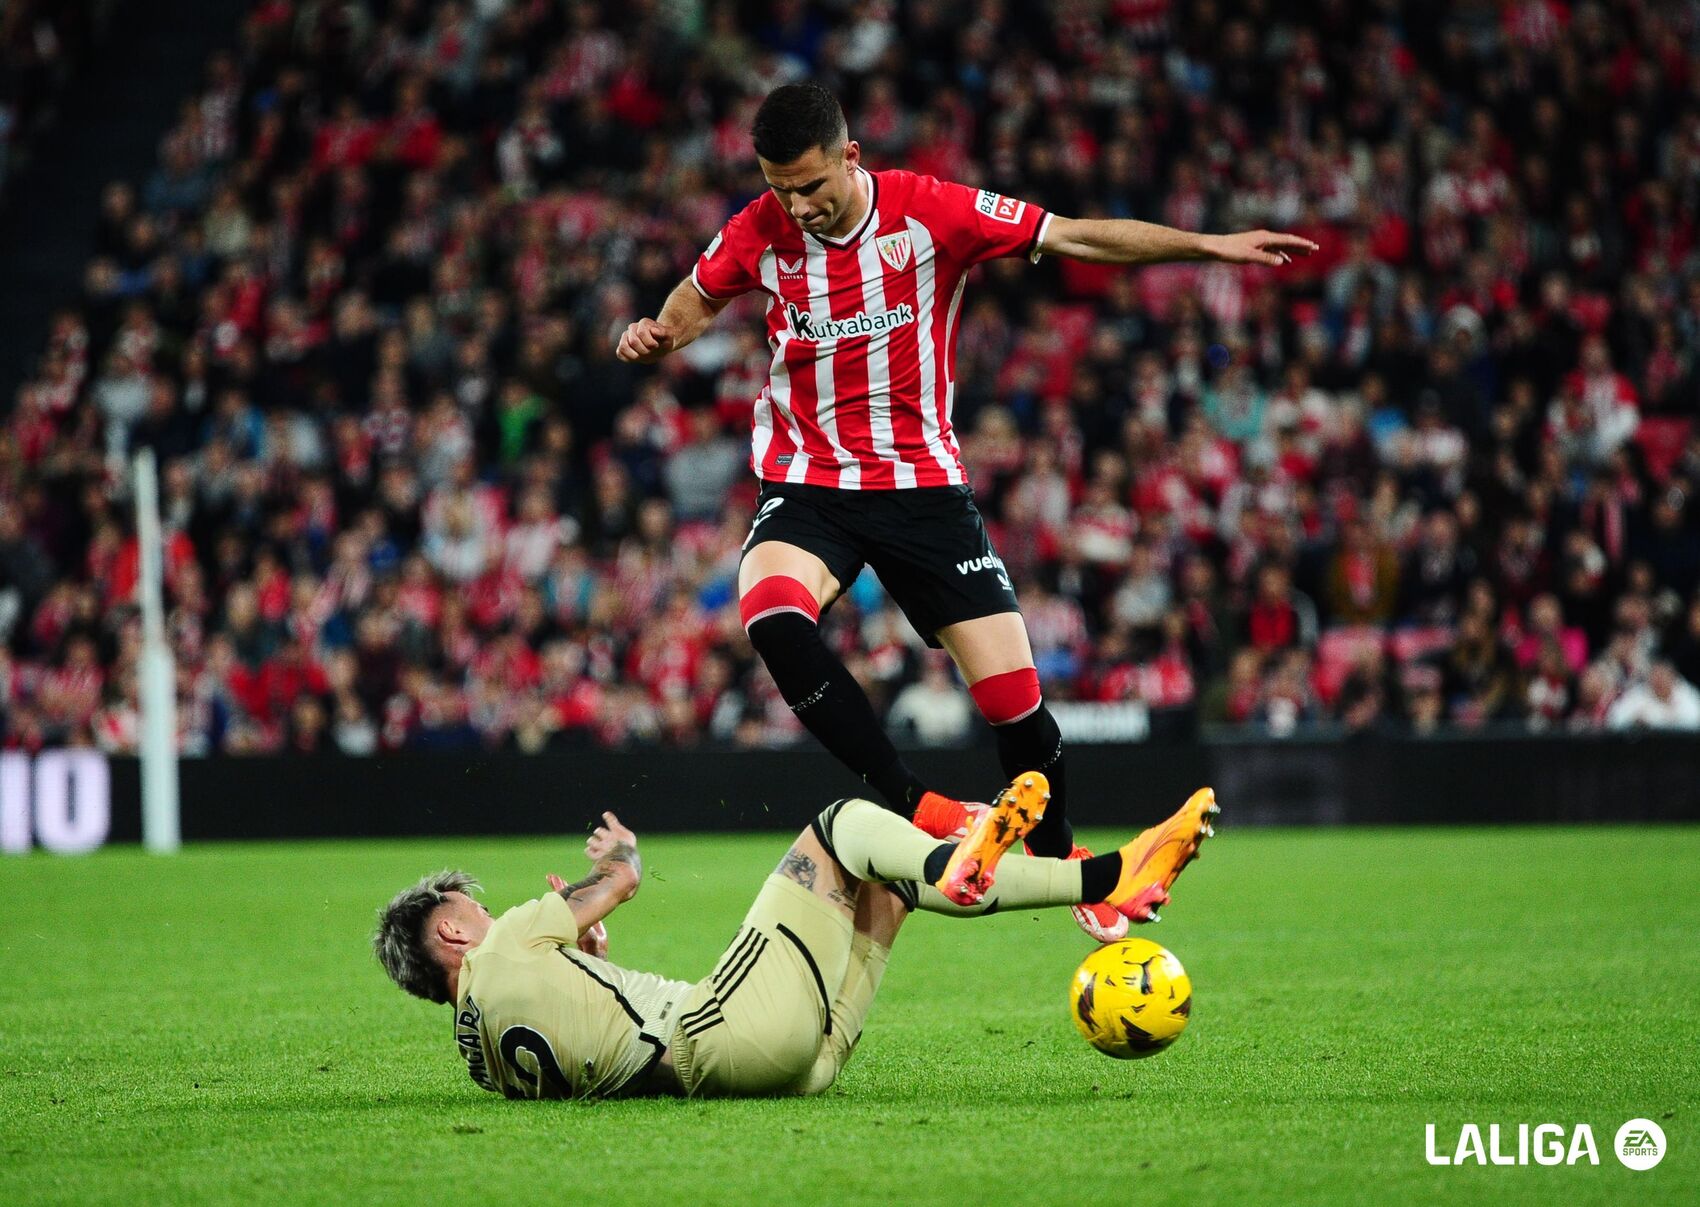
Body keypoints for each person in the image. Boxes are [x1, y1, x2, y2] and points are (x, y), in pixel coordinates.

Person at [614, 82, 1309, 941]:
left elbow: (1074, 234)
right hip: (809, 480)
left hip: (922, 489)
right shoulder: (761, 226)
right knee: (769, 613)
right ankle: (926, 806)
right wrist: (659, 331)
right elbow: (695, 295)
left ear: (850, 157)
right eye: (780, 188)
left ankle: (1067, 863)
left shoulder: (932, 211)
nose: (797, 205)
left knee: (1018, 707)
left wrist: (1208, 246)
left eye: (811, 186)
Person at [373, 775, 1220, 1100]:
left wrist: (590, 960)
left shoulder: (481, 1060)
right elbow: (623, 878)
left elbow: (594, 1034)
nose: (488, 911)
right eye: (472, 906)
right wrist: (617, 852)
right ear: (451, 927)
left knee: (886, 885)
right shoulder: (504, 944)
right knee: (839, 824)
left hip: (788, 1070)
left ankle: (1069, 873)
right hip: (725, 1031)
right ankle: (1089, 876)